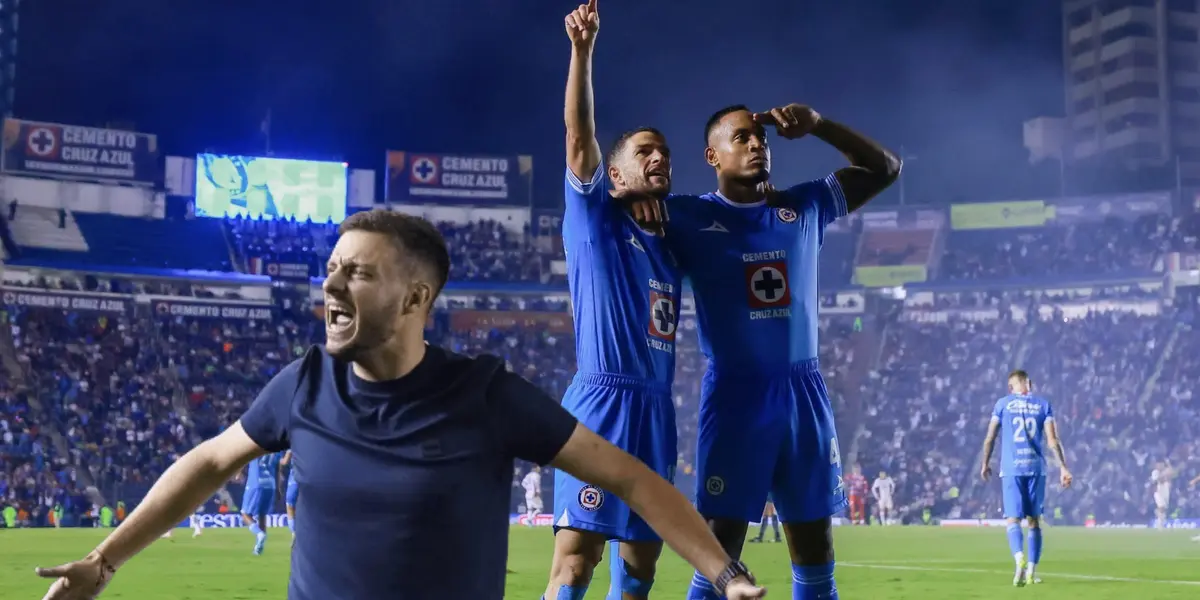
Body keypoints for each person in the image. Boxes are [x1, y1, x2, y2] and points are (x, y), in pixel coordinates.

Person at [34, 209, 765, 600]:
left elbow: (633, 479)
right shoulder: (303, 384)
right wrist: (104, 561)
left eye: (357, 274)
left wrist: (726, 576)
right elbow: (206, 462)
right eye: (330, 270)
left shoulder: (486, 394)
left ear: (416, 298)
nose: (332, 287)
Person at [663, 103, 900, 600]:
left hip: (803, 392)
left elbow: (885, 168)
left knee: (814, 545)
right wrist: (635, 195)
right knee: (720, 545)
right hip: (736, 394)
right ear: (713, 155)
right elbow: (608, 210)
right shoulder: (687, 215)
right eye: (742, 138)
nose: (756, 145)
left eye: (760, 138)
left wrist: (819, 126)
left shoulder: (804, 205)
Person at [546, 2, 682, 600]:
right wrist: (582, 51)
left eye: (666, 154)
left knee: (641, 569)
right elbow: (579, 139)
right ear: (617, 177)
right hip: (601, 404)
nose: (659, 159)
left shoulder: (675, 244)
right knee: (576, 564)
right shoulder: (594, 221)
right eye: (644, 152)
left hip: (656, 411)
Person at [980, 369, 1073, 587]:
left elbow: (990, 437)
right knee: (1034, 522)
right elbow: (1053, 440)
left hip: (1012, 469)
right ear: (1028, 384)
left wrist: (985, 463)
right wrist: (1063, 468)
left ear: (1011, 387)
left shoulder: (1002, 404)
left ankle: (1018, 559)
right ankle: (1031, 572)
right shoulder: (1043, 405)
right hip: (1036, 468)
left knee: (1012, 519)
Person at [239, 451, 281, 555]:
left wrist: (239, 472)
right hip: (271, 484)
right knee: (262, 514)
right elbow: (278, 469)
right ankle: (259, 548)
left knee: (245, 514)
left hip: (256, 482)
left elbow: (244, 456)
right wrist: (278, 489)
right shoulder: (277, 450)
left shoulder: (257, 446)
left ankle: (259, 534)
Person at [1149, 461, 1174, 529]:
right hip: (1158, 491)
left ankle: (1161, 523)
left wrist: (1169, 466)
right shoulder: (1155, 472)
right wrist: (1165, 474)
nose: (1160, 466)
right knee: (1161, 506)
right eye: (1159, 464)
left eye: (1162, 464)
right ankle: (1159, 524)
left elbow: (1171, 474)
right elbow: (1158, 480)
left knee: (1164, 508)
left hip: (1166, 489)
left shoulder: (1166, 471)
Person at [281, 450, 299, 537]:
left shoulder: (294, 442)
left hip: (296, 476)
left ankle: (294, 533)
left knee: (290, 505)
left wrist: (278, 461)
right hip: (310, 477)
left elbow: (284, 462)